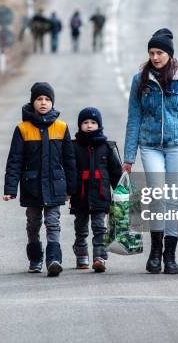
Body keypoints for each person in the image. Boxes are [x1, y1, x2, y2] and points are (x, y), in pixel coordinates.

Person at [122, 28, 178, 275]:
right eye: (151, 52)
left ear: (169, 54)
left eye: (159, 52)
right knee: (158, 196)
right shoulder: (140, 80)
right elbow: (133, 118)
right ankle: (155, 252)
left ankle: (170, 255)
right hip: (149, 146)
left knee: (172, 198)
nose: (155, 57)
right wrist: (128, 157)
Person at [4, 82, 77, 276]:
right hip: (32, 187)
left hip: (54, 186)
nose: (43, 103)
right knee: (33, 223)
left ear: (52, 102)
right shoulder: (23, 129)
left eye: (47, 99)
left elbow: (69, 161)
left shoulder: (61, 128)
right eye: (39, 99)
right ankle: (35, 259)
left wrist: (71, 188)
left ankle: (54, 259)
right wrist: (10, 189)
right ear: (32, 102)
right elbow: (15, 161)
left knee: (53, 222)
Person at [70, 107, 122, 272]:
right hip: (80, 195)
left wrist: (120, 192)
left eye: (93, 122)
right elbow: (69, 171)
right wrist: (68, 191)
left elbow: (115, 173)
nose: (89, 125)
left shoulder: (106, 147)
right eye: (85, 122)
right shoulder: (74, 146)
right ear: (80, 125)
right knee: (81, 227)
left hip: (100, 195)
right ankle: (81, 255)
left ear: (99, 125)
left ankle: (99, 257)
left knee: (100, 227)